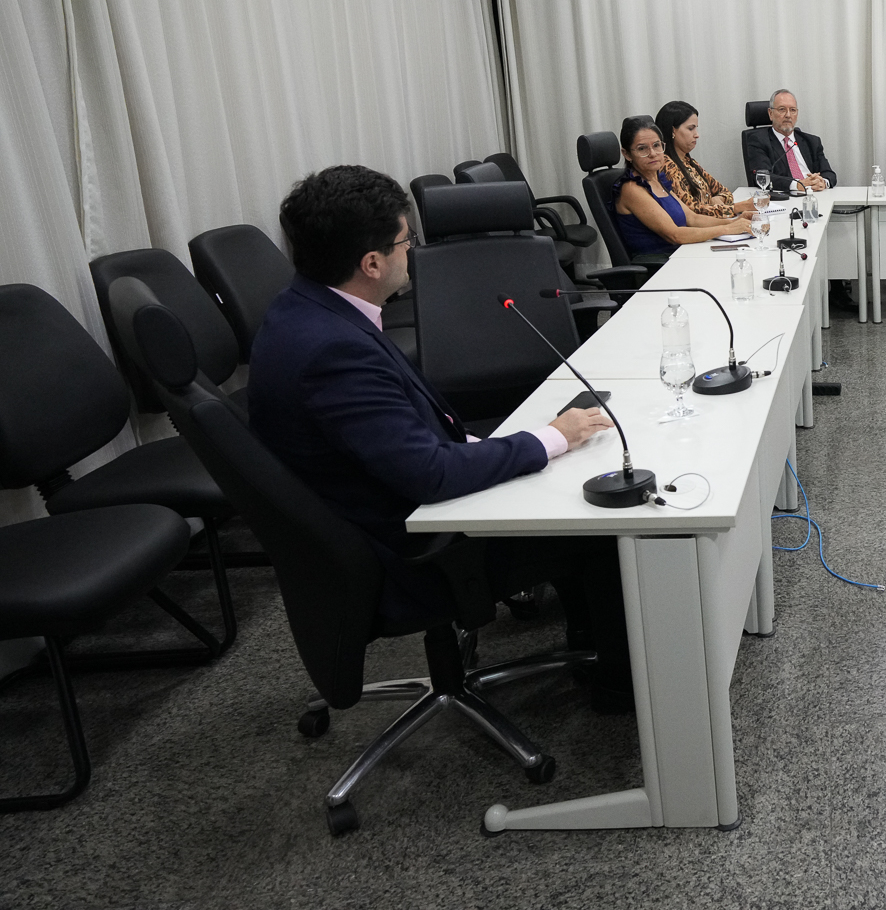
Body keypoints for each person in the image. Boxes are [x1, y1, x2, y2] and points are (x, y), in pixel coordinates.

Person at [248, 165, 633, 706]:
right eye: (406, 242)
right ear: (372, 263)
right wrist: (550, 438)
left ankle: (589, 644)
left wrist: (502, 445)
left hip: (372, 511)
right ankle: (620, 686)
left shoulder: (305, 308)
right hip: (413, 551)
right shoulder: (332, 352)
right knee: (604, 522)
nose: (413, 252)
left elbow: (395, 437)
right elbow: (429, 474)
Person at [610, 115, 752, 256]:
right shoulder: (631, 189)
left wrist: (734, 222)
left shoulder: (657, 179)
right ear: (627, 154)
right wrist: (727, 229)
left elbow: (693, 219)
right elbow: (675, 235)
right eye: (642, 149)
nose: (652, 153)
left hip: (682, 253)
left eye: (656, 145)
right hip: (662, 264)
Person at [656, 100, 748, 218]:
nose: (697, 134)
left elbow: (724, 191)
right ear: (673, 131)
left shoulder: (689, 162)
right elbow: (692, 212)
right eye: (691, 128)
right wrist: (738, 207)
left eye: (696, 128)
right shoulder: (667, 166)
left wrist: (719, 199)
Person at [742, 89, 838, 196]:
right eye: (782, 109)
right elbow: (762, 176)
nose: (788, 115)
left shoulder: (812, 141)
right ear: (770, 113)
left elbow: (829, 173)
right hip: (785, 197)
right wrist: (797, 184)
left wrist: (823, 182)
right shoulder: (758, 141)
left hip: (816, 195)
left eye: (792, 110)